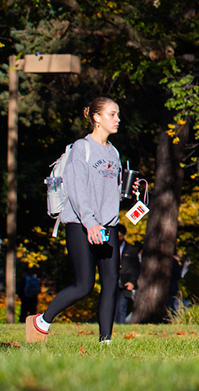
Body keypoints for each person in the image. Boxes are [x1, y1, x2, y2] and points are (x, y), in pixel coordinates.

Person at [26, 97, 123, 345]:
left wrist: (128, 194)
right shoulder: (82, 148)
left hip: (107, 226)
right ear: (97, 118)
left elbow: (110, 192)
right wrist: (90, 223)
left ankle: (105, 342)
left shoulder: (114, 152)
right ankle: (42, 321)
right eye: (112, 114)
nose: (117, 119)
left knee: (111, 283)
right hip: (81, 225)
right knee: (84, 285)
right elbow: (77, 189)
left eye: (118, 115)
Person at [114, 227, 140, 323]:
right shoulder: (110, 247)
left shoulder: (131, 249)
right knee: (110, 305)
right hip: (112, 280)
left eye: (120, 236)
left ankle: (120, 327)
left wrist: (132, 281)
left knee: (121, 307)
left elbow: (136, 267)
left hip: (125, 281)